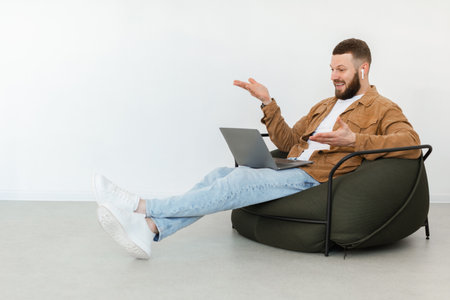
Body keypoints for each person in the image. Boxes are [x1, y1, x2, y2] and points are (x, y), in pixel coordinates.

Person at [93, 38, 420, 259]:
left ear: (362, 69)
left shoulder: (382, 108)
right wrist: (268, 102)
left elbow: (410, 143)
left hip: (314, 177)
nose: (333, 76)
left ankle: (141, 207)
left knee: (235, 181)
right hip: (292, 166)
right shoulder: (325, 105)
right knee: (219, 174)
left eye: (341, 70)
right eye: (332, 68)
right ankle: (150, 230)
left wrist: (355, 141)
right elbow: (290, 142)